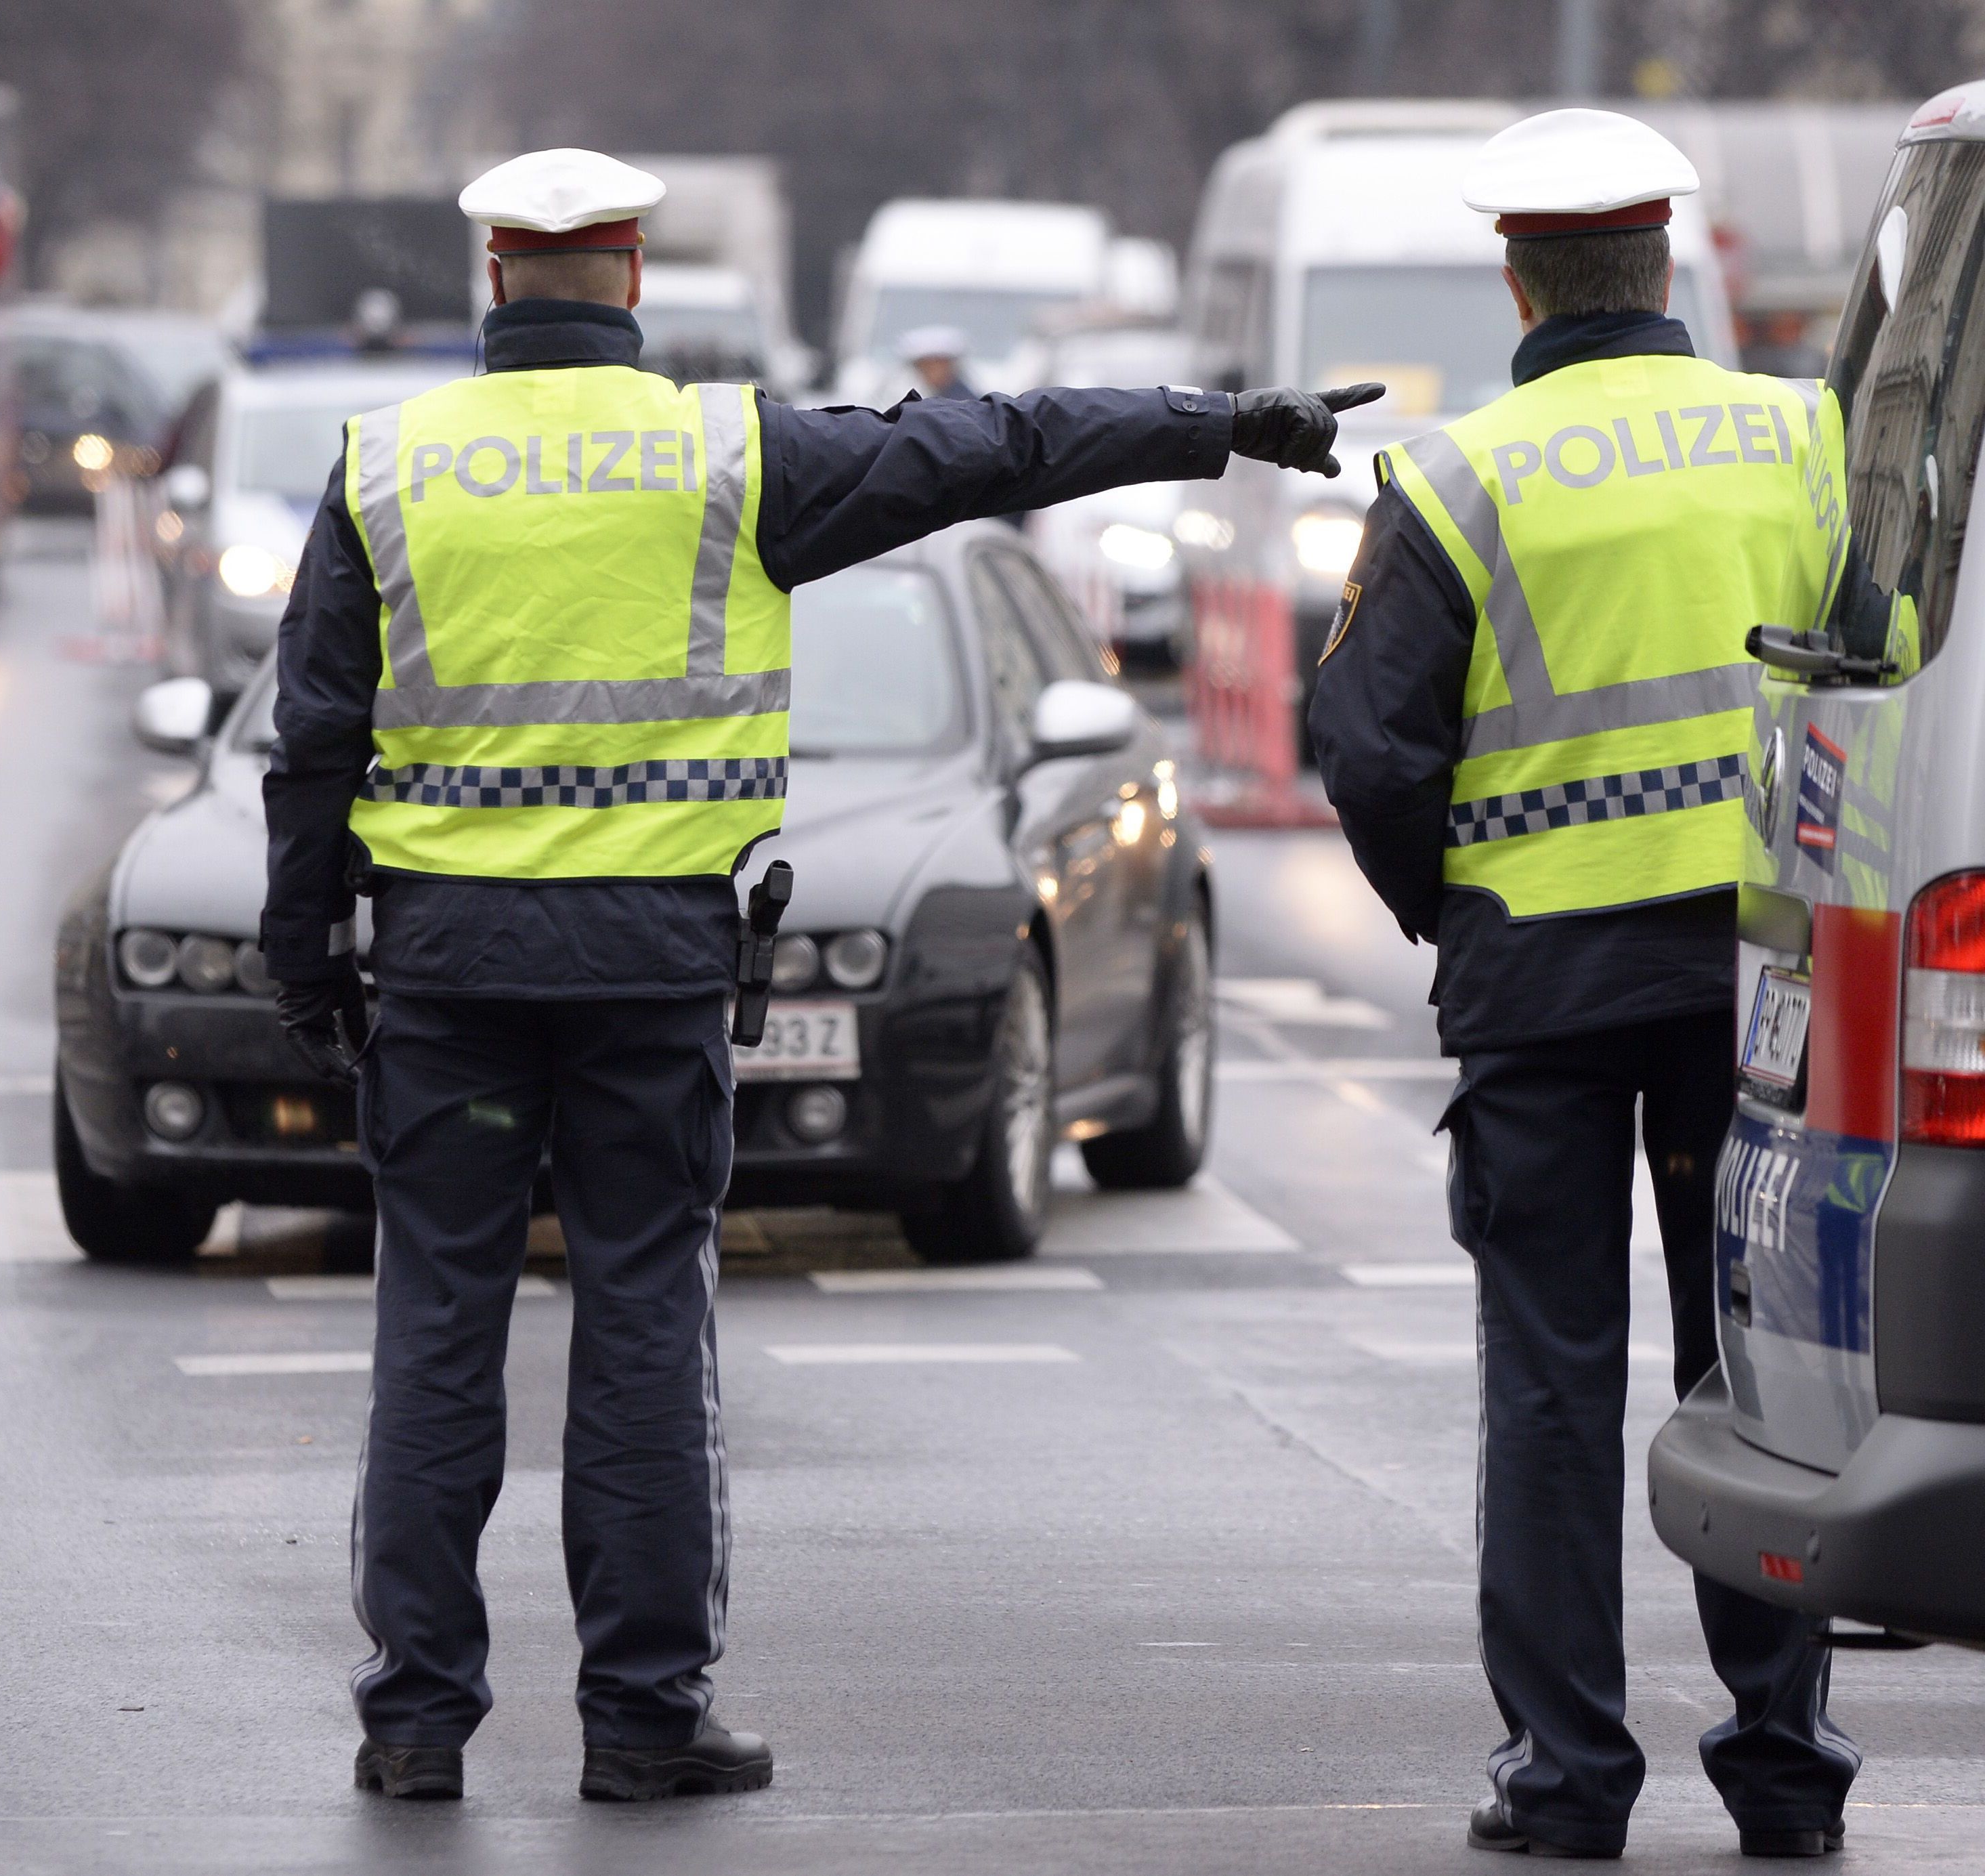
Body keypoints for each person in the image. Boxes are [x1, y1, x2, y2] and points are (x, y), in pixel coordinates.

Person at [261, 146, 1380, 1806]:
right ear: (630, 275)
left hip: (450, 973)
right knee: (643, 1317)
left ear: (492, 276)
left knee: (438, 1322)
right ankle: (644, 1717)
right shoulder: (733, 454)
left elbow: (313, 741)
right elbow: (997, 443)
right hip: (650, 974)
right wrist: (1221, 420)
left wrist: (306, 951)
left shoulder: (387, 466)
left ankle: (416, 1715)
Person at [1308, 109, 1858, 1861]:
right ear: (1670, 262)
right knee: (1757, 1377)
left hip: (1540, 986)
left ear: (1517, 274)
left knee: (1549, 1378)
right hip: (1762, 989)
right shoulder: (1806, 439)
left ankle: (1567, 1778)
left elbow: (1371, 749)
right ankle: (1783, 1765)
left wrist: (1453, 909)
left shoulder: (1458, 477)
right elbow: (1882, 670)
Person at [897, 323, 977, 399]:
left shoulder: (965, 403)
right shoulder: (923, 396)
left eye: (938, 364)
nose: (933, 372)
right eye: (926, 367)